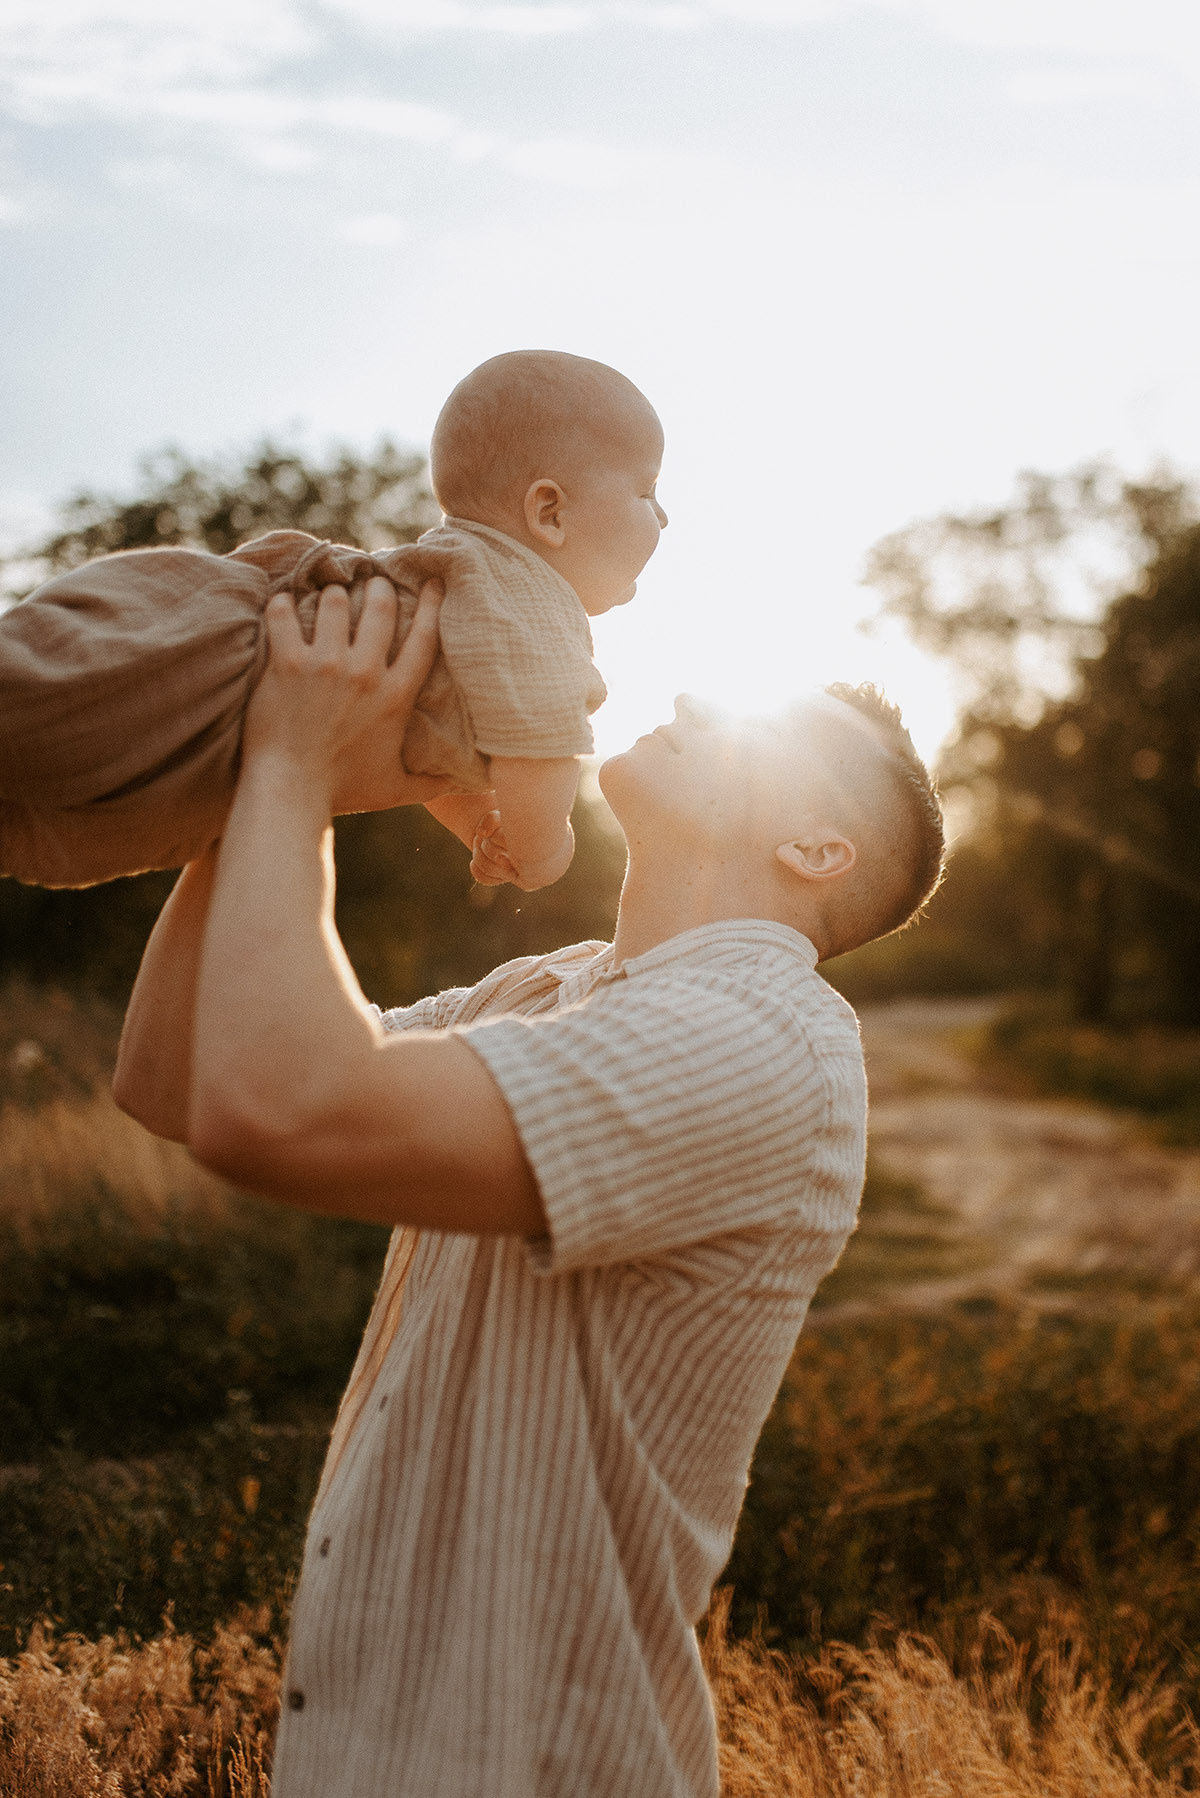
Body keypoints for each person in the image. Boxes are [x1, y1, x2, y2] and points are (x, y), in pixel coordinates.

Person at [113, 574, 944, 1798]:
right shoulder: (545, 988)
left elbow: (278, 1110)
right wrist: (270, 781)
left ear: (816, 850)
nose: (698, 699)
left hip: (534, 1764)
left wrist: (296, 760)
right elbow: (175, 1078)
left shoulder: (761, 1039)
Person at [0, 349, 666, 892]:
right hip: (226, 664)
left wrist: (476, 821)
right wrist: (544, 851)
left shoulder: (473, 598)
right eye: (647, 491)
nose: (663, 516)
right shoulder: (536, 605)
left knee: (39, 793)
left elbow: (424, 742)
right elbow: (538, 751)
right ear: (550, 513)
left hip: (224, 690)